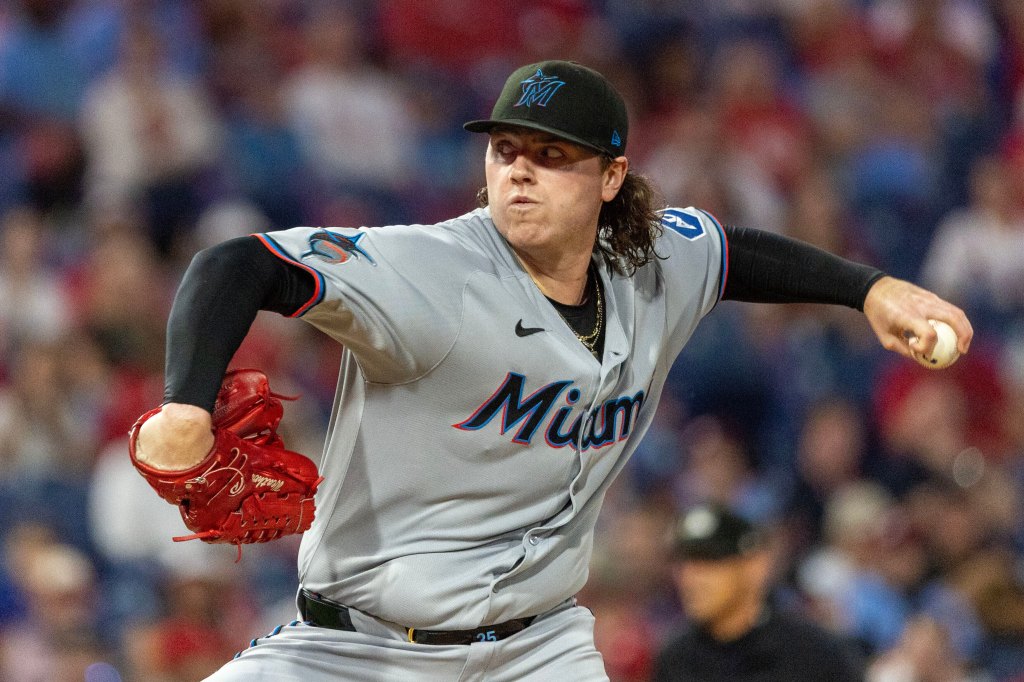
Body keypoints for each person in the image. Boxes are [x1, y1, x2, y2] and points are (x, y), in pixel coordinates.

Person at [131, 59, 972, 681]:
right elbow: (235, 264)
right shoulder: (431, 271)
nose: (520, 169)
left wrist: (871, 290)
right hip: (353, 648)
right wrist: (186, 407)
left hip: (538, 649)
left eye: (551, 153)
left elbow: (733, 254)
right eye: (505, 150)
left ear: (612, 178)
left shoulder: (650, 262)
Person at [652, 502, 866, 682]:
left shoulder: (815, 655)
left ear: (755, 566)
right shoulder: (676, 659)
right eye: (683, 564)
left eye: (708, 561)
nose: (690, 579)